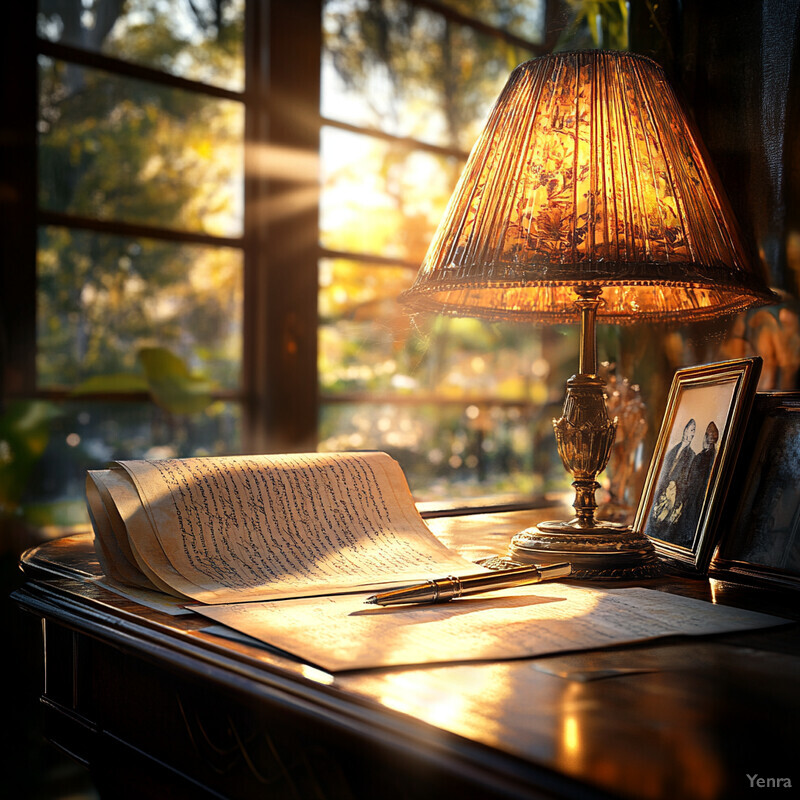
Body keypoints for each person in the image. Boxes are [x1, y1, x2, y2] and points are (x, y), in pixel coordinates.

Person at [673, 421, 719, 548]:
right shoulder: (705, 456)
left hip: (696, 499)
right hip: (693, 498)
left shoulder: (706, 457)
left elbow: (694, 479)